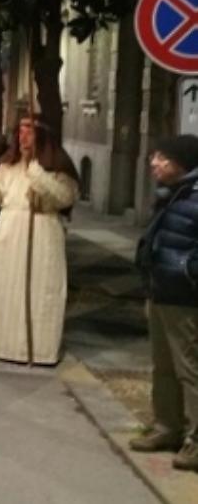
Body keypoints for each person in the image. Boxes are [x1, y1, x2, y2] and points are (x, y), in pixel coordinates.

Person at [0, 115, 78, 365]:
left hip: (41, 230)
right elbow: (0, 194)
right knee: (5, 285)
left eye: (29, 131)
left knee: (39, 289)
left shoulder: (57, 167)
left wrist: (38, 174)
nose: (22, 137)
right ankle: (2, 343)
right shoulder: (10, 163)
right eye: (20, 131)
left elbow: (64, 197)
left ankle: (36, 349)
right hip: (10, 230)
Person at [129, 135, 198, 470]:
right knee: (164, 366)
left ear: (181, 162)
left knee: (190, 370)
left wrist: (188, 272)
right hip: (161, 290)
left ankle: (196, 441)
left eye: (162, 158)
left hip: (184, 296)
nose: (154, 163)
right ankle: (167, 427)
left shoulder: (193, 196)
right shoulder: (172, 194)